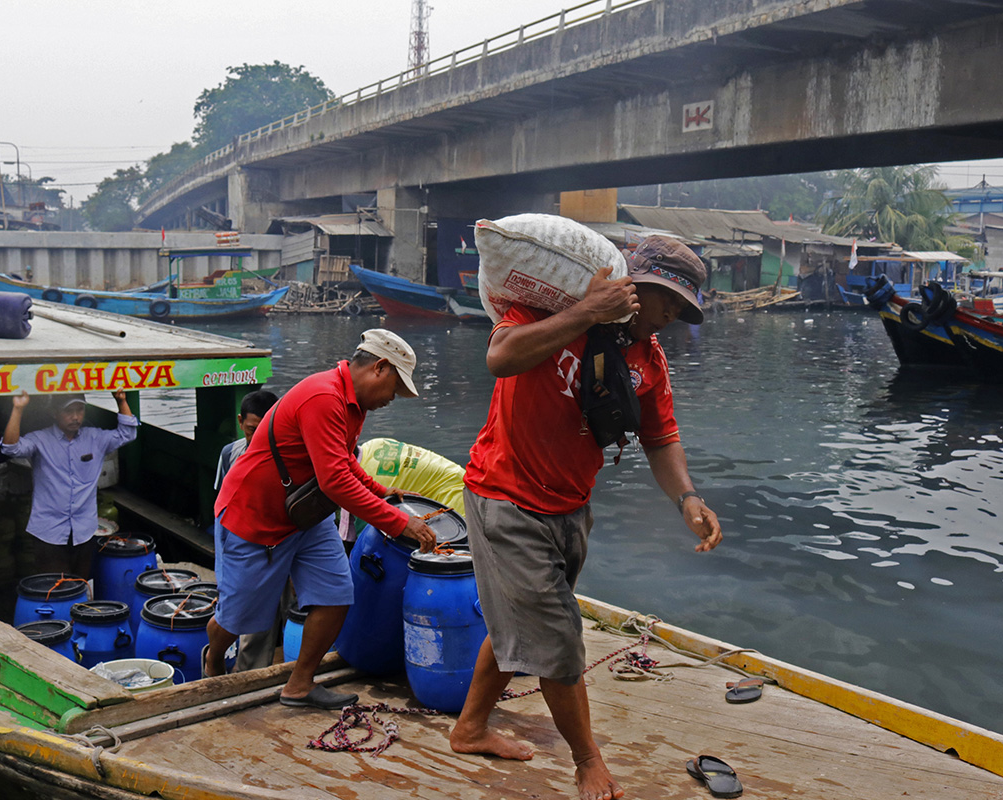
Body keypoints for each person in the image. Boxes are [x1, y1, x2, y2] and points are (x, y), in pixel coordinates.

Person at [449, 236, 724, 800]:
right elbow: (500, 357)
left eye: (681, 308)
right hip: (505, 496)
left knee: (522, 623)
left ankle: (470, 728)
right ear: (632, 283)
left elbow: (660, 436)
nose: (670, 315)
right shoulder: (555, 309)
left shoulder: (648, 358)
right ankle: (587, 761)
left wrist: (688, 498)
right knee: (557, 636)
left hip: (571, 506)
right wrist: (588, 311)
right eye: (665, 298)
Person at [206, 329, 438, 708]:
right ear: (379, 368)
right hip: (255, 518)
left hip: (305, 518)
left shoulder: (354, 405)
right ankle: (213, 656)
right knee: (238, 617)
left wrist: (380, 491)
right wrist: (399, 523)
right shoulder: (324, 397)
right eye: (394, 389)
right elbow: (335, 482)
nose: (391, 399)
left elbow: (344, 460)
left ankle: (299, 685)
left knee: (336, 594)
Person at [0, 391, 138, 580]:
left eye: (80, 410)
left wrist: (121, 400)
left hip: (85, 531)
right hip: (49, 532)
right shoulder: (40, 440)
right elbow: (10, 448)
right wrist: (18, 408)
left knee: (81, 585)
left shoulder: (95, 438)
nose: (75, 417)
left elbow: (128, 433)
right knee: (56, 589)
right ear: (54, 412)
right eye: (68, 411)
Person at [213, 388, 283, 672]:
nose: (259, 436)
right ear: (241, 422)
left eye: (266, 428)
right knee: (252, 619)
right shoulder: (230, 454)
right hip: (249, 545)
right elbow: (222, 509)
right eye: (253, 429)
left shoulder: (290, 453)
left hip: (284, 541)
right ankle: (247, 676)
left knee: (294, 611)